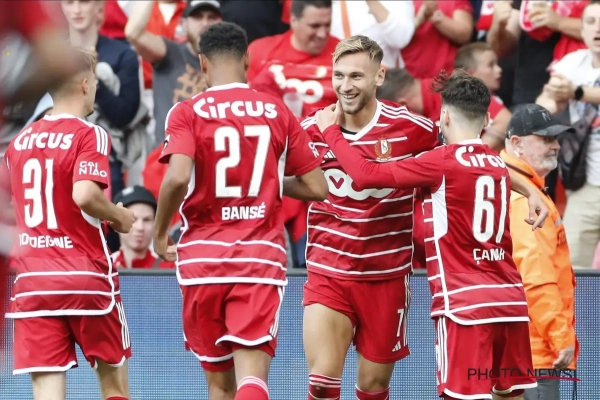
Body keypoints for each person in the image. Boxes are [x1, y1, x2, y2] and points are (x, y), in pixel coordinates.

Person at [301, 35, 547, 400]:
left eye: (356, 76)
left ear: (379, 76)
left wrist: (527, 188)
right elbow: (283, 177)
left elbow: (466, 159)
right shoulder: (310, 128)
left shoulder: (414, 128)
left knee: (373, 387)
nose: (345, 86)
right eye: (339, 75)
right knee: (322, 385)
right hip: (330, 269)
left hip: (387, 275)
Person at [152, 22, 328, 400]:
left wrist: (159, 233)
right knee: (252, 380)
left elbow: (177, 177)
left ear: (202, 62)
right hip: (258, 258)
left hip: (201, 260)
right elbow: (318, 187)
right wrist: (265, 177)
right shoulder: (276, 110)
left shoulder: (186, 112)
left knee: (220, 386)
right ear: (247, 59)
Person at [1, 47, 136, 400]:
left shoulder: (18, 143)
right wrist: (119, 216)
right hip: (85, 278)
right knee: (114, 389)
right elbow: (85, 194)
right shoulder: (89, 134)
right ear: (85, 84)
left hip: (33, 283)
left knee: (47, 394)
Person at [501, 104, 578, 400]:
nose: (555, 145)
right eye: (545, 139)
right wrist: (560, 337)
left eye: (555, 138)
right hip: (533, 354)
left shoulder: (515, 188)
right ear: (516, 143)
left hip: (519, 349)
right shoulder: (525, 200)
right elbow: (535, 279)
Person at [111, 185, 175, 269]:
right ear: (115, 223)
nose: (140, 227)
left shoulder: (169, 267)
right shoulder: (105, 265)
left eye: (147, 220)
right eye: (133, 219)